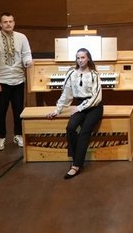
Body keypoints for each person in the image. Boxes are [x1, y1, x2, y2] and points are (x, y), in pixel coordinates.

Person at [48, 48, 103, 179]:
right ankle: (78, 154)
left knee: (84, 132)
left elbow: (97, 97)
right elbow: (66, 94)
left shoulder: (94, 75)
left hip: (94, 107)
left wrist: (80, 108)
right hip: (79, 105)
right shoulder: (71, 73)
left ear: (88, 58)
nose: (80, 60)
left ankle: (76, 165)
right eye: (78, 58)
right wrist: (57, 110)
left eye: (83, 57)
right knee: (70, 128)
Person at [0, 11, 32, 151]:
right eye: (5, 22)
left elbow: (26, 54)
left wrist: (27, 61)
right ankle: (1, 138)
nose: (8, 24)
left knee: (18, 111)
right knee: (0, 112)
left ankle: (18, 135)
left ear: (14, 23)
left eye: (10, 21)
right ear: (0, 24)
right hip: (1, 82)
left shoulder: (22, 37)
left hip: (18, 80)